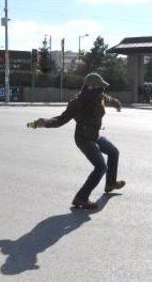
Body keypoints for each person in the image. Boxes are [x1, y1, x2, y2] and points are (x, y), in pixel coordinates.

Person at [29, 72, 125, 210]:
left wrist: (116, 104)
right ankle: (81, 198)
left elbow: (108, 99)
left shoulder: (100, 97)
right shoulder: (78, 102)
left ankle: (110, 183)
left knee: (113, 152)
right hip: (83, 139)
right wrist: (44, 122)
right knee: (101, 167)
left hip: (95, 136)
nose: (102, 90)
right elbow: (61, 119)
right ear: (91, 87)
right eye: (100, 87)